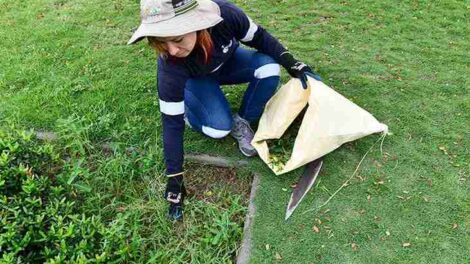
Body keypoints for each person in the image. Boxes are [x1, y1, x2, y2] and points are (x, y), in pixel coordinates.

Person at [128, 0, 320, 221]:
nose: (172, 50)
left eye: (177, 39)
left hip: (227, 63)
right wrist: (174, 178)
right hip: (197, 80)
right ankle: (192, 115)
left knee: (269, 67)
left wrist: (294, 64)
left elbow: (261, 39)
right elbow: (171, 125)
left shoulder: (227, 15)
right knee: (218, 128)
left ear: (197, 23)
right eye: (162, 42)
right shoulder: (170, 65)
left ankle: (243, 121)